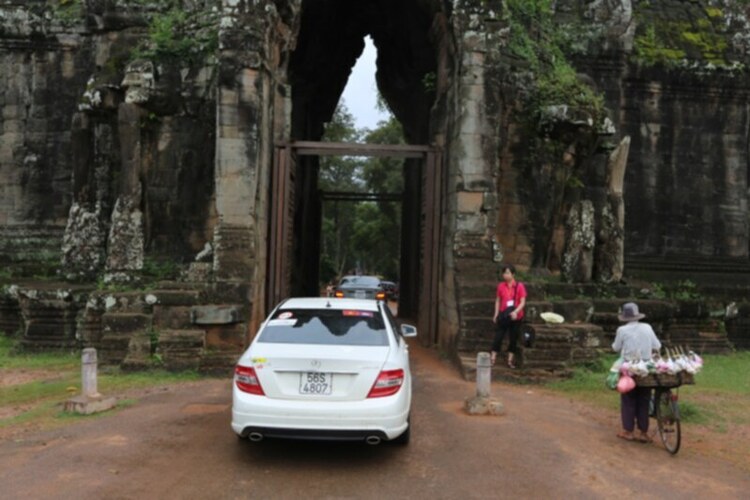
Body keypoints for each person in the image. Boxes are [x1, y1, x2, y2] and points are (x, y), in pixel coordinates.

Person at [612, 302, 662, 443]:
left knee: (628, 399)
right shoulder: (647, 327)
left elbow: (616, 348)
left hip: (630, 369)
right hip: (646, 369)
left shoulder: (622, 330)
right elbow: (657, 345)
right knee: (644, 400)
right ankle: (643, 432)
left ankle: (628, 431)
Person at [491, 264, 527, 368]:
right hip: (504, 314)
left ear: (513, 274)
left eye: (507, 273)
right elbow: (498, 300)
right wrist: (496, 313)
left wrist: (516, 312)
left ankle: (510, 360)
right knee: (499, 336)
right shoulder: (501, 286)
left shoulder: (519, 286)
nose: (505, 275)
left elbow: (522, 302)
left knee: (513, 338)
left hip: (516, 316)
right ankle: (493, 357)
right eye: (504, 273)